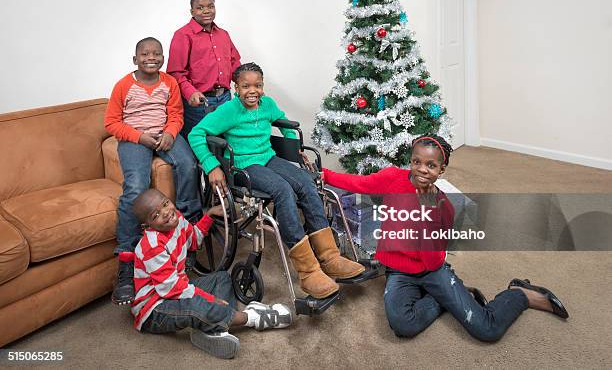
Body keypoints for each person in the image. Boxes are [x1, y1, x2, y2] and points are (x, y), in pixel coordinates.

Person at [322, 135, 569, 342]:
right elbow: (359, 183)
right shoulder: (392, 179)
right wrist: (322, 173)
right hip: (399, 271)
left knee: (487, 330)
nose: (421, 169)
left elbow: (430, 261)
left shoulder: (444, 208)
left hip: (433, 271)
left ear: (442, 170)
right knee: (402, 326)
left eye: (431, 165)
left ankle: (519, 294)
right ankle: (454, 298)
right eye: (416, 161)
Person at [189, 62, 365, 300]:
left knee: (304, 182)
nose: (253, 91)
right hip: (244, 165)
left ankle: (330, 257)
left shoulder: (268, 104)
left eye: (258, 85)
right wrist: (211, 166)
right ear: (236, 87)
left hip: (268, 157)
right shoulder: (228, 111)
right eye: (246, 86)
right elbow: (196, 134)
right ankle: (308, 271)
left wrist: (295, 149)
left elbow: (283, 123)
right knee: (283, 190)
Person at [130, 189, 292, 359]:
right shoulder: (152, 246)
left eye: (165, 203)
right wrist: (210, 299)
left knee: (222, 277)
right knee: (195, 306)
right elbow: (171, 290)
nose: (166, 212)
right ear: (147, 226)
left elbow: (193, 240)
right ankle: (251, 318)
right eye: (156, 215)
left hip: (175, 287)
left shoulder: (176, 219)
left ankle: (214, 328)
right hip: (154, 308)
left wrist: (209, 215)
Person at [104, 37, 202, 305]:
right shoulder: (124, 85)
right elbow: (111, 122)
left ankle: (187, 231)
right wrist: (139, 137)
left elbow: (176, 114)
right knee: (136, 185)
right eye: (145, 53)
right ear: (135, 59)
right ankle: (126, 260)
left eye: (157, 53)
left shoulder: (169, 82)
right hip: (135, 137)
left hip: (165, 134)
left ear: (163, 57)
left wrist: (171, 133)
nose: (151, 57)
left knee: (188, 165)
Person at [167, 0, 241, 140]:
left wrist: (248, 84)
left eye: (210, 6)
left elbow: (235, 63)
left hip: (226, 99)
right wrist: (190, 92)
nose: (206, 10)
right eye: (200, 8)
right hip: (200, 103)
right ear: (192, 11)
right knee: (200, 144)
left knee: (226, 142)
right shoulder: (182, 35)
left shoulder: (223, 34)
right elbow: (175, 73)